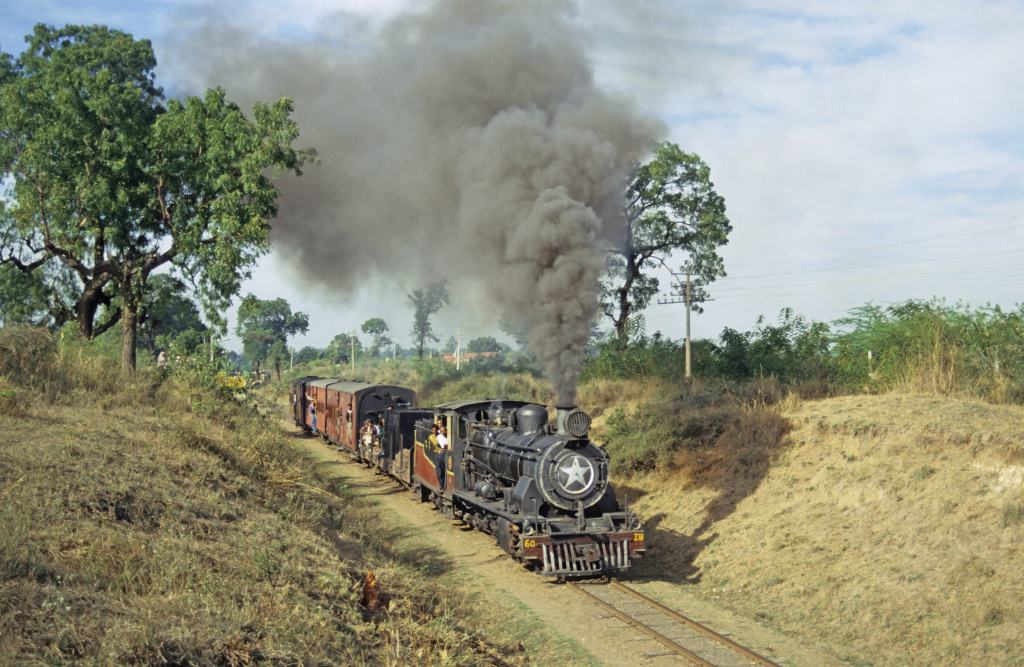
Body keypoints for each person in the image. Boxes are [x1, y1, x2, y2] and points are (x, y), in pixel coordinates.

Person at [435, 424, 449, 492]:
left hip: (446, 453)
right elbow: (443, 446)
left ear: (446, 431)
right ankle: (441, 487)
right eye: (441, 431)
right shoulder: (439, 437)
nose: (443, 432)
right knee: (441, 471)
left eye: (444, 431)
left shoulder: (449, 436)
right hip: (441, 455)